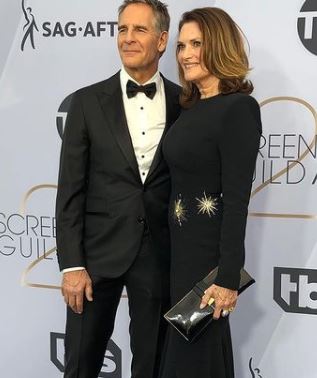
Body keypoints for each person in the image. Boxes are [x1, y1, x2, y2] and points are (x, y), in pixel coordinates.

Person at [55, 1, 180, 377]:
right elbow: (70, 190)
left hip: (159, 255)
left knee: (153, 363)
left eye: (139, 30)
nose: (127, 38)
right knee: (80, 362)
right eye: (122, 29)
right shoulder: (86, 101)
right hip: (94, 259)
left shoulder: (184, 102)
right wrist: (72, 265)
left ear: (161, 40)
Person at [160, 7, 262, 378]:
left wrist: (227, 278)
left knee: (194, 361)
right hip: (177, 258)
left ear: (218, 45)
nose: (185, 54)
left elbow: (237, 199)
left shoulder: (239, 109)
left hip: (208, 268)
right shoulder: (188, 109)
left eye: (196, 44)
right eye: (181, 45)